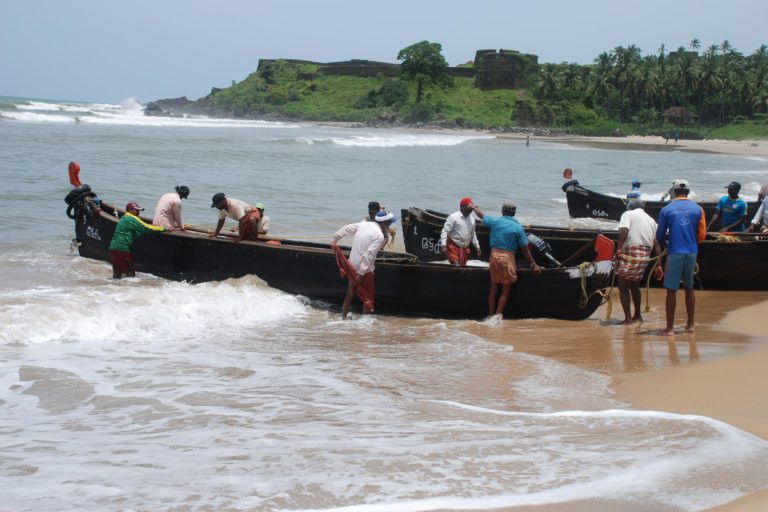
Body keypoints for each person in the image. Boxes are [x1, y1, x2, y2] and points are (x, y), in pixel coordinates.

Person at [473, 201, 542, 318]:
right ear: (514, 213)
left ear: (503, 211)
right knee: (505, 291)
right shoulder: (518, 227)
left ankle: (490, 314)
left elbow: (481, 215)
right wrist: (533, 264)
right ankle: (498, 315)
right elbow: (525, 250)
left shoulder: (495, 221)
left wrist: (473, 206)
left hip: (494, 256)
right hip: (508, 258)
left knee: (493, 287)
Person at [656, 179, 706, 335]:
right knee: (689, 288)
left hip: (675, 252)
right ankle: (690, 325)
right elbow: (702, 235)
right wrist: (690, 242)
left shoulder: (666, 209)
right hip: (691, 252)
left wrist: (669, 245)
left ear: (674, 192)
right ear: (688, 192)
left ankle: (670, 328)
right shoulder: (698, 209)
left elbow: (659, 236)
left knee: (671, 290)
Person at [331, 210, 394, 319]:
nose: (389, 225)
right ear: (384, 223)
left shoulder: (364, 224)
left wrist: (334, 240)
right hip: (364, 269)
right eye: (388, 223)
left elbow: (346, 229)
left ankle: (343, 317)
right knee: (367, 296)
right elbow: (368, 254)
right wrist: (361, 274)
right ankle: (365, 324)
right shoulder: (379, 235)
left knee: (350, 292)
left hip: (352, 265)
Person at [614, 199, 663, 324]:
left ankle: (628, 319)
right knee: (634, 285)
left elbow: (624, 230)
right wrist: (659, 264)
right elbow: (656, 243)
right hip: (645, 253)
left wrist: (619, 248)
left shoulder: (628, 214)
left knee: (623, 286)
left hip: (631, 251)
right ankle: (637, 316)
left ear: (630, 207)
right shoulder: (652, 220)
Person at [108, 202, 170, 278]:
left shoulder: (124, 218)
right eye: (137, 210)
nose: (138, 212)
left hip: (113, 249)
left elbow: (137, 232)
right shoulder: (131, 218)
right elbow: (146, 227)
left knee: (117, 276)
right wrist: (164, 228)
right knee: (130, 276)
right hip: (122, 249)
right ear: (130, 210)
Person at [439, 197, 481, 266]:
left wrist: (477, 247)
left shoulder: (472, 220)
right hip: (452, 247)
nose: (471, 209)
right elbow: (445, 231)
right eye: (469, 207)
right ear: (462, 207)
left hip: (464, 249)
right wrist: (443, 244)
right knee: (457, 265)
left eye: (471, 208)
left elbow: (473, 235)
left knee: (462, 268)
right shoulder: (453, 217)